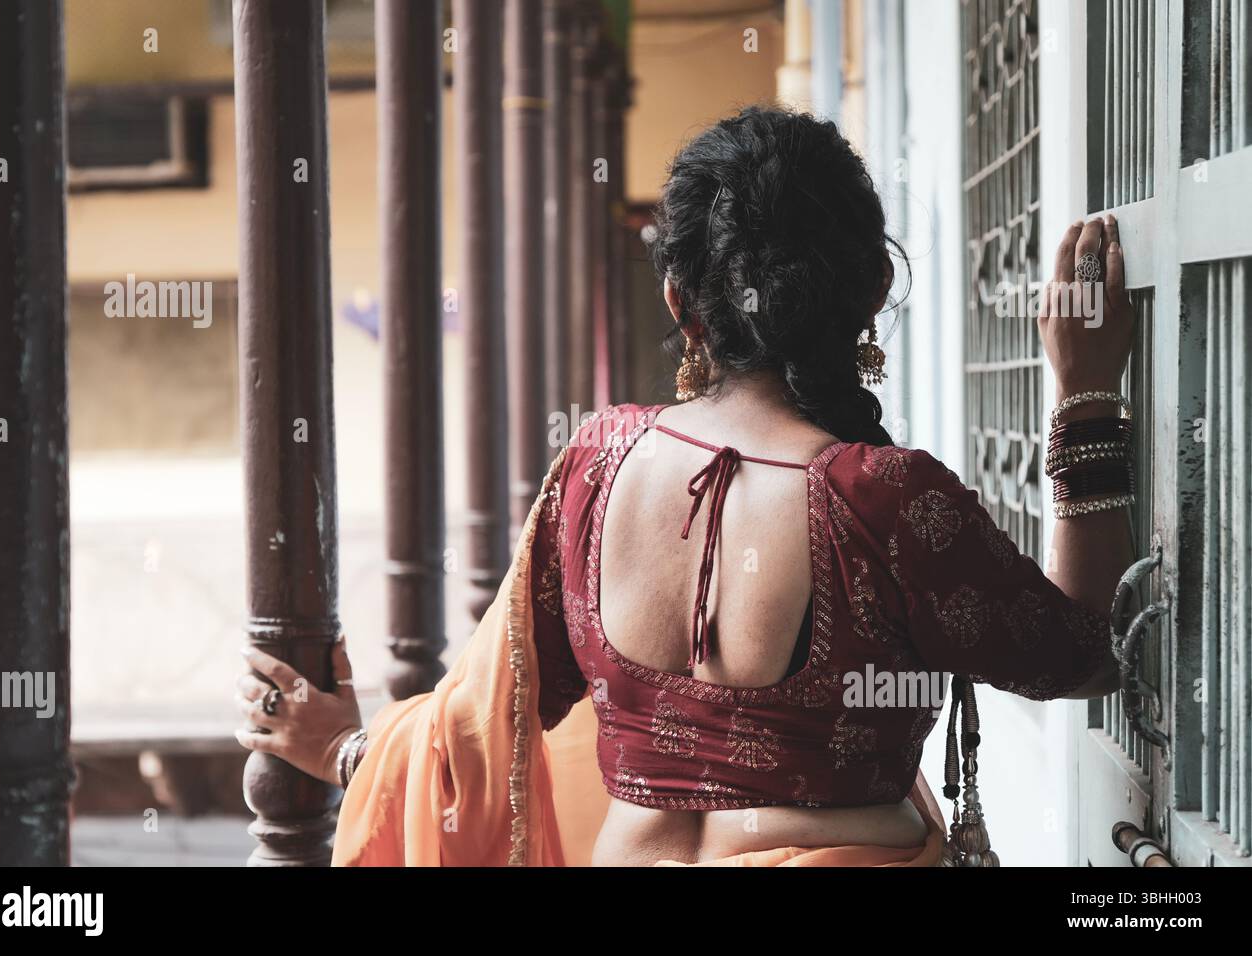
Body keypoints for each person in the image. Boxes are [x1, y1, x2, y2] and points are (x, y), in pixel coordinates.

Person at [234, 106, 1135, 866]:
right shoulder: (885, 501)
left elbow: (482, 731)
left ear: (678, 302)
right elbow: (1083, 654)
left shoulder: (595, 467)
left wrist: (347, 747)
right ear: (873, 292)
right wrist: (1088, 395)